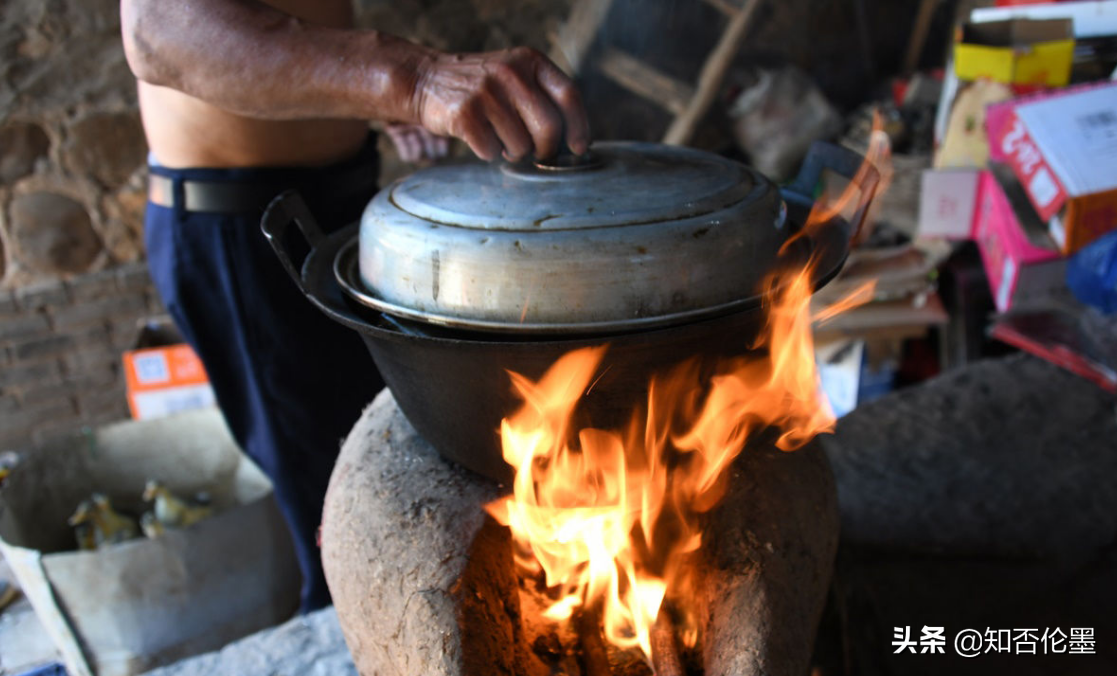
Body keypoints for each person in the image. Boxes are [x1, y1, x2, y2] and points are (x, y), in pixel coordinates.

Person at [119, 0, 590, 613]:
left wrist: (363, 102)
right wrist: (411, 81)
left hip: (339, 198)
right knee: (339, 517)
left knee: (392, 483)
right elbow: (159, 31)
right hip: (244, 225)